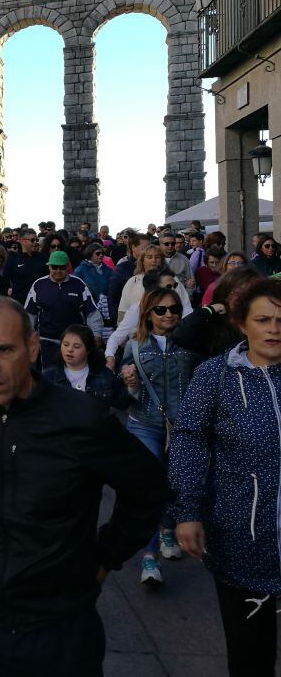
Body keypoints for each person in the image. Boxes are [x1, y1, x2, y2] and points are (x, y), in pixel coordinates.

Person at [0, 296, 167, 675]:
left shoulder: (82, 419)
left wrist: (107, 557)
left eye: (3, 349)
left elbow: (148, 488)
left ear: (30, 347)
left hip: (57, 625)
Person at [170, 277, 281, 677]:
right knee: (251, 659)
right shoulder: (214, 376)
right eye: (263, 319)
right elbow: (189, 442)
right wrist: (187, 511)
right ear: (241, 324)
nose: (274, 328)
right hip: (242, 543)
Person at [118, 287, 198, 586]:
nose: (169, 315)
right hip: (144, 423)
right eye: (161, 310)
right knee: (151, 486)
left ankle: (167, 528)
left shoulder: (190, 345)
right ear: (148, 314)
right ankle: (149, 556)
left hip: (181, 427)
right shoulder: (137, 345)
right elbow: (122, 389)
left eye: (174, 309)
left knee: (174, 482)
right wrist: (127, 382)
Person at [24, 251, 103, 369]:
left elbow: (92, 312)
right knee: (50, 376)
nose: (58, 271)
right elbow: (29, 315)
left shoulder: (79, 284)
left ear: (67, 267)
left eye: (61, 267)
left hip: (75, 341)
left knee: (74, 374)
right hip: (47, 341)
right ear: (49, 267)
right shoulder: (38, 285)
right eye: (54, 267)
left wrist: (96, 334)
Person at [44, 325, 130, 412]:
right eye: (65, 344)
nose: (69, 349)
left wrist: (131, 384)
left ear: (88, 350)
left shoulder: (104, 375)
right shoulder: (48, 376)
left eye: (76, 346)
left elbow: (123, 403)